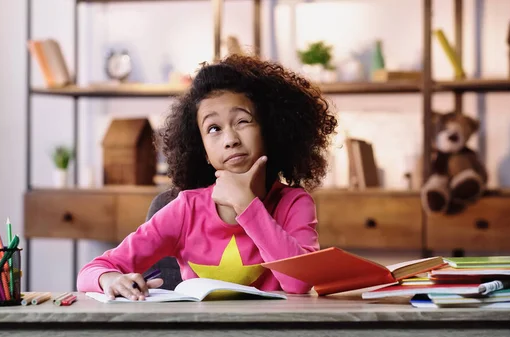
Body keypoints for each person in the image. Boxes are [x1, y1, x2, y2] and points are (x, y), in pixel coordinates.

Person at [76, 54, 338, 301]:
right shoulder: (185, 209)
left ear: (269, 130)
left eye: (243, 121)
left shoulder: (294, 203)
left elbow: (300, 284)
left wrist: (247, 207)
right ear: (201, 150)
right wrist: (109, 279)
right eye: (213, 128)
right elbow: (92, 270)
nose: (230, 140)